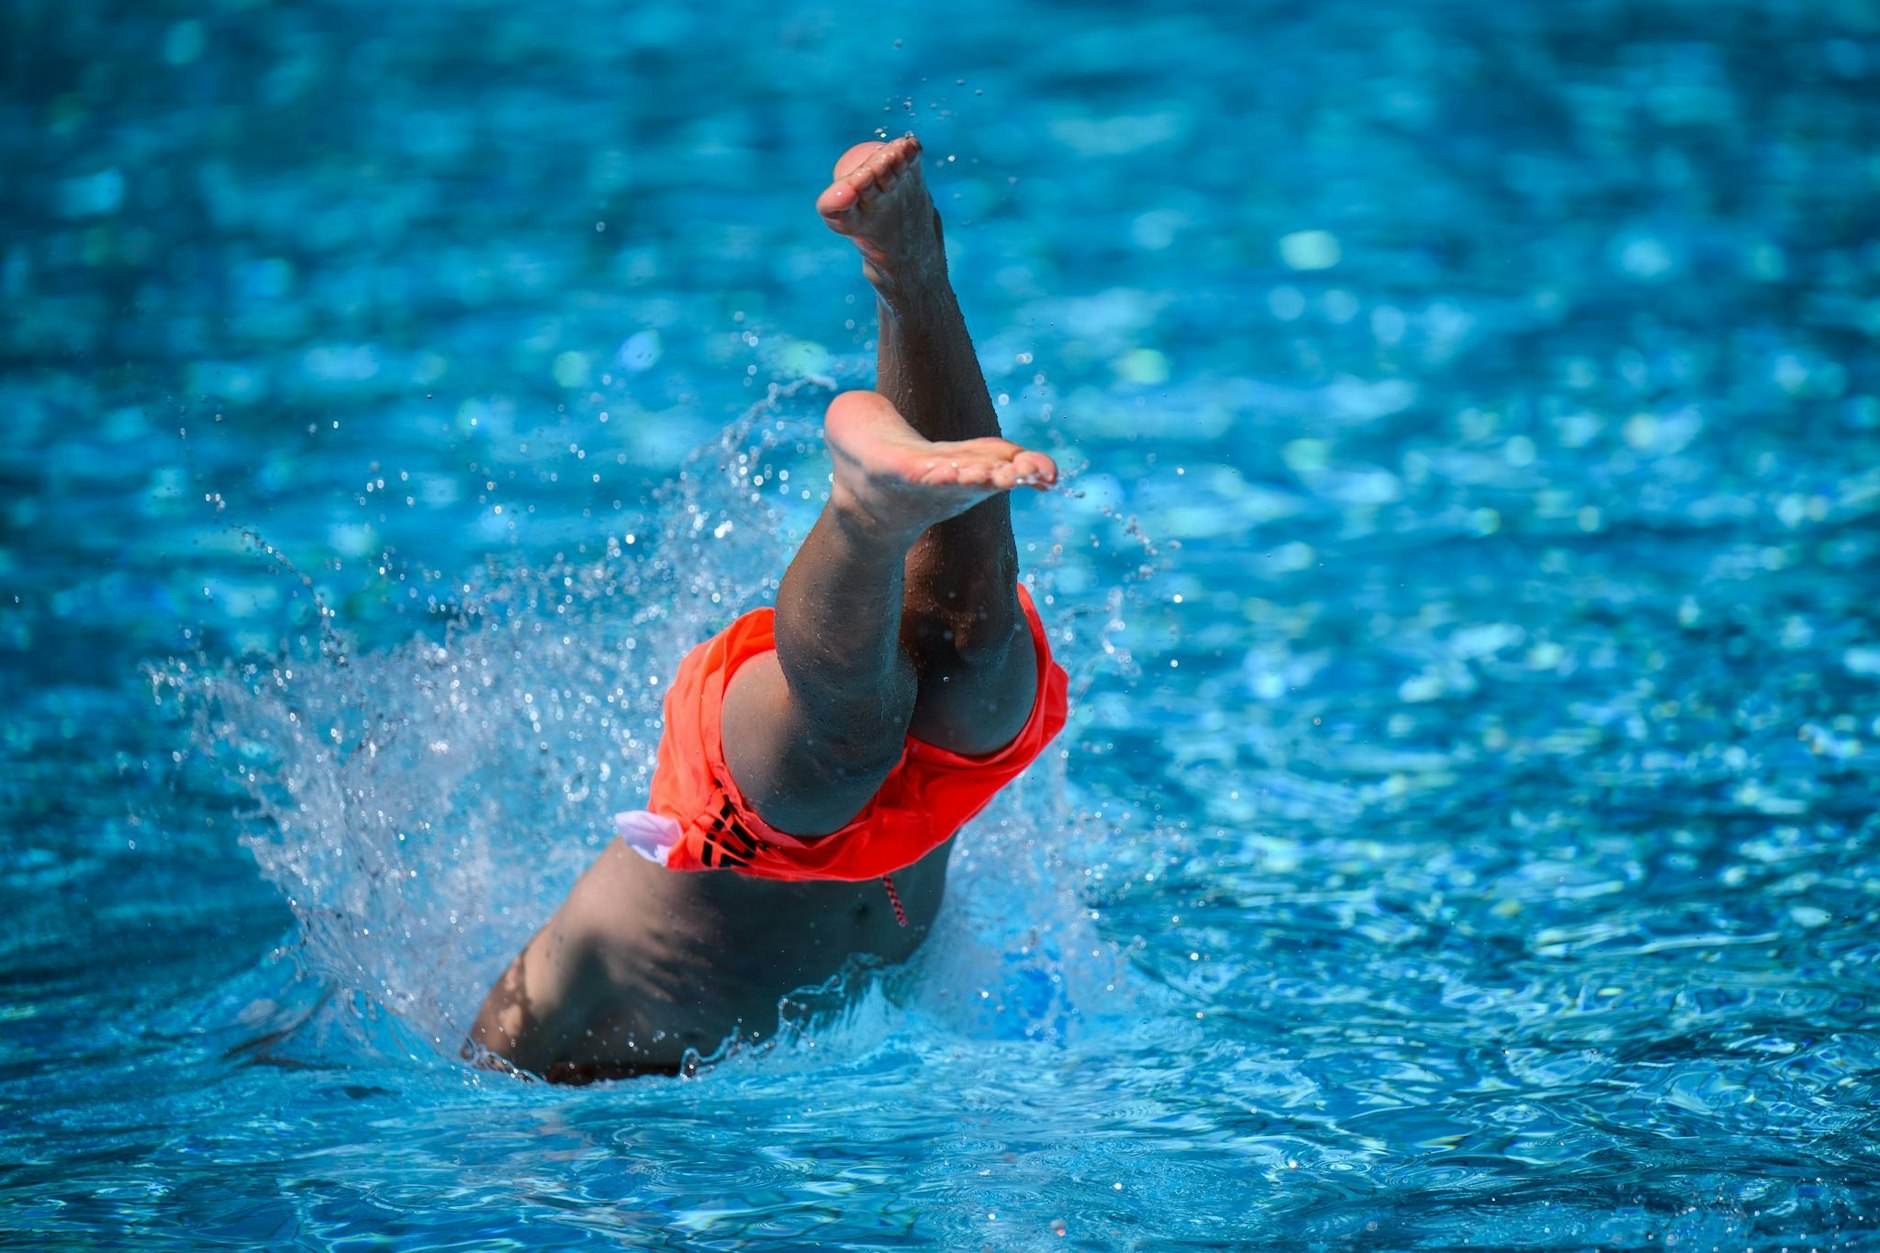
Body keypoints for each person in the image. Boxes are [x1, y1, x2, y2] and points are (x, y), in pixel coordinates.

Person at [468, 134, 1068, 1081]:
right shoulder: (570, 1008)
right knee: (976, 640)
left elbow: (476, 1079)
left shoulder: (543, 1038)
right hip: (899, 814)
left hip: (735, 796)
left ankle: (867, 514)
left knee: (842, 752)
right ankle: (909, 270)